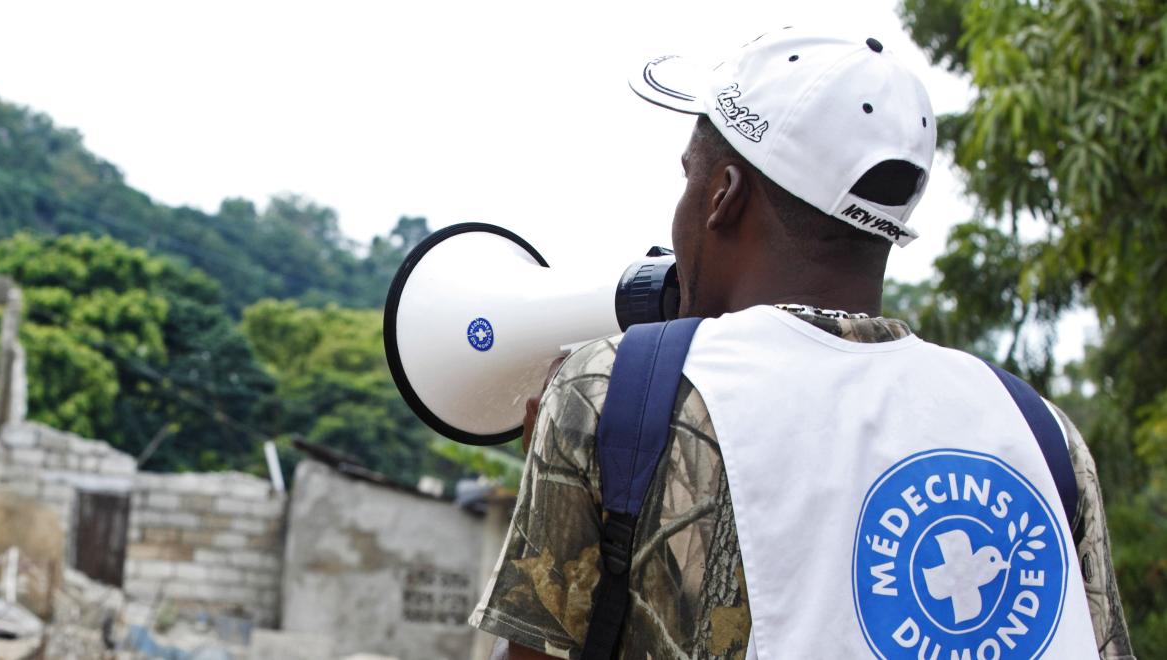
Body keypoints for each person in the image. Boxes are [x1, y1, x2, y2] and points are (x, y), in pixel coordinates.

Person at [471, 28, 1133, 659]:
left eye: (689, 176)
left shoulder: (615, 390)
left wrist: (569, 456)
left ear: (722, 197)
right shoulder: (1042, 437)